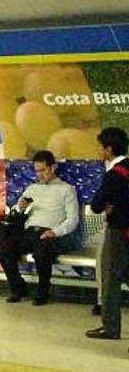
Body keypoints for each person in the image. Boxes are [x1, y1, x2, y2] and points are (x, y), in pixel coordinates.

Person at [0, 150, 79, 306]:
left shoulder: (66, 190)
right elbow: (15, 213)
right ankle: (18, 288)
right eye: (37, 171)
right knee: (4, 248)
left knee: (42, 252)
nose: (40, 175)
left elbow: (73, 219)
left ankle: (43, 291)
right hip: (30, 231)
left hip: (50, 233)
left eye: (43, 170)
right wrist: (20, 208)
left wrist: (55, 232)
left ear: (53, 168)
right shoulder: (32, 189)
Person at [86, 127, 129, 340]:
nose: (98, 150)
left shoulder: (114, 174)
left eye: (100, 147)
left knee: (111, 278)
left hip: (119, 232)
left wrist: (109, 206)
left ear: (109, 149)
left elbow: (96, 205)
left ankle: (110, 327)